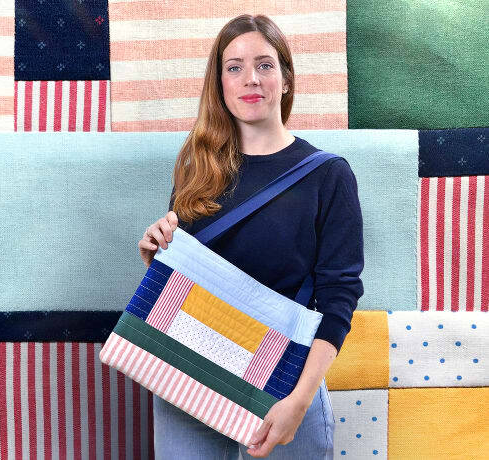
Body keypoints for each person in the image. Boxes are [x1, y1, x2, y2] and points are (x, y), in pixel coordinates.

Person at [137, 14, 364, 459]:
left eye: (264, 65)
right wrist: (157, 256)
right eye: (234, 67)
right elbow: (194, 280)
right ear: (220, 83)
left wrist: (299, 401)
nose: (250, 79)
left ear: (286, 78)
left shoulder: (328, 176)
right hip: (188, 371)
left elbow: (339, 298)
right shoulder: (197, 170)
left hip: (283, 385)